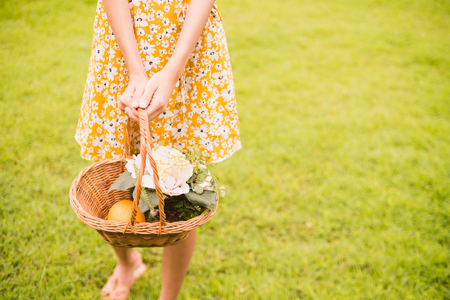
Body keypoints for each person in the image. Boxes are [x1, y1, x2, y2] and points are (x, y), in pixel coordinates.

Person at [74, 0, 241, 299]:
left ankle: (168, 297)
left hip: (185, 37)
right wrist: (134, 70)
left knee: (180, 186)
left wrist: (172, 72)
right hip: (125, 34)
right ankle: (127, 264)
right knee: (117, 172)